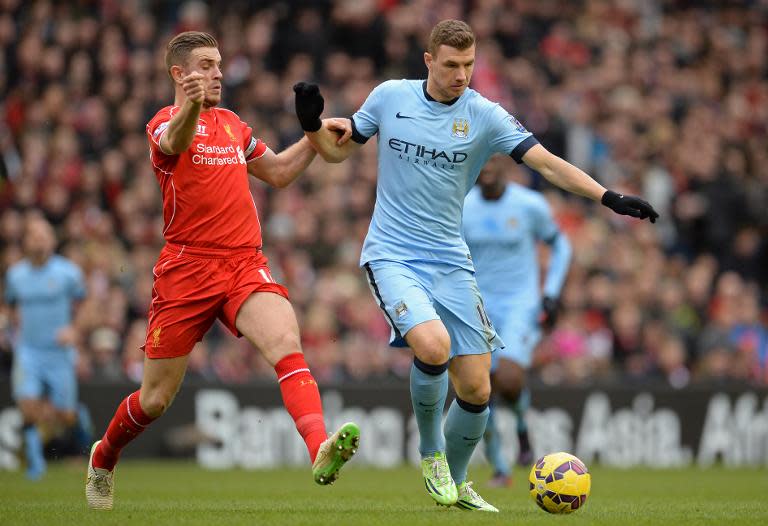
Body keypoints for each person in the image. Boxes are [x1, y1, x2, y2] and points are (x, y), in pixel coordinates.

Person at [293, 19, 657, 512]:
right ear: (428, 61)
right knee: (433, 344)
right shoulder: (389, 97)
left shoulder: (485, 115)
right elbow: (337, 153)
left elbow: (547, 163)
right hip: (393, 255)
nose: (461, 74)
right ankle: (432, 454)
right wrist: (312, 125)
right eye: (451, 65)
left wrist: (607, 196)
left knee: (478, 386)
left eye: (468, 65)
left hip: (451, 262)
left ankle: (461, 483)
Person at [85, 32, 359, 510]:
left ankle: (318, 448)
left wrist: (312, 133)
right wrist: (190, 106)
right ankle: (104, 457)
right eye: (206, 66)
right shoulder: (164, 122)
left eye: (218, 65)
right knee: (155, 400)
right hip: (186, 269)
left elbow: (277, 172)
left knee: (285, 345)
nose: (217, 74)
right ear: (179, 74)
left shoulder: (233, 124)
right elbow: (174, 140)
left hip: (243, 263)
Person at [462, 157, 572, 487]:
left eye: (493, 161)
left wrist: (550, 293)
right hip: (477, 307)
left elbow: (561, 245)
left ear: (505, 166)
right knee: (478, 390)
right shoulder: (463, 206)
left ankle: (522, 426)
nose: (487, 168)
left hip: (520, 305)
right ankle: (501, 468)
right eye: (481, 163)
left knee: (507, 380)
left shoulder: (529, 205)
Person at [4, 215, 91, 480]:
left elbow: (88, 305)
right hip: (28, 351)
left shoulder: (68, 273)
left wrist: (75, 330)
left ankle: (81, 427)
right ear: (26, 241)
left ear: (52, 240)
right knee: (28, 406)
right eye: (34, 236)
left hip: (59, 354)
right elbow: (9, 306)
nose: (40, 241)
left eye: (44, 236)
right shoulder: (15, 275)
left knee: (64, 415)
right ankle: (35, 464)